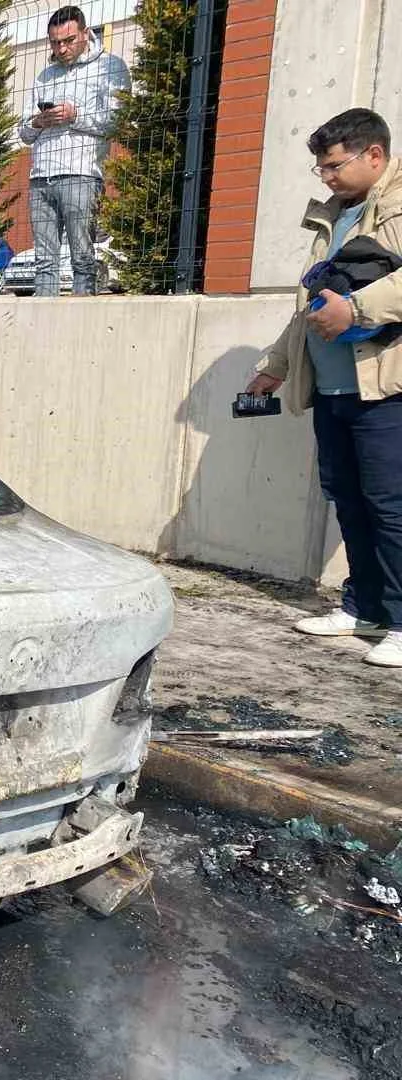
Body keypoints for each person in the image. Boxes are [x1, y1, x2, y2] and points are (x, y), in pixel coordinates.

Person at [244, 108, 402, 669]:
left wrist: (356, 309)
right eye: (322, 168)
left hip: (384, 387)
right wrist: (277, 365)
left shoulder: (396, 206)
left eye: (334, 166)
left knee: (391, 506)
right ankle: (365, 608)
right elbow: (309, 306)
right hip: (333, 389)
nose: (327, 177)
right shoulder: (333, 217)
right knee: (350, 500)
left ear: (374, 155)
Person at [18, 5, 129, 297]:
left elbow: (116, 121)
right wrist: (39, 121)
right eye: (55, 43)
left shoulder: (110, 67)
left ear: (85, 33)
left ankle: (83, 311)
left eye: (68, 40)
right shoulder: (45, 76)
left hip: (81, 174)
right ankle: (43, 316)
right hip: (40, 176)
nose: (62, 49)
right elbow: (23, 132)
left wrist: (74, 115)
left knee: (82, 256)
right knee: (44, 262)